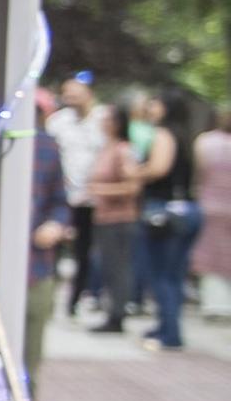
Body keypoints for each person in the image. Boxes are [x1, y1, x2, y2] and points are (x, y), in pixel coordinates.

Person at [135, 90, 201, 350]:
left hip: (164, 212)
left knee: (161, 274)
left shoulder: (163, 135)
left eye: (155, 103)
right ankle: (167, 325)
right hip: (187, 210)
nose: (151, 107)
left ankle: (169, 332)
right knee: (173, 275)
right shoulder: (188, 136)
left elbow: (158, 168)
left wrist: (136, 172)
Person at [23, 99, 73, 401]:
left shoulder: (46, 146)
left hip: (35, 266)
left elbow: (60, 200)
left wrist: (55, 224)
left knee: (29, 360)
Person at [46, 73, 106, 313]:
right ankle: (50, 297)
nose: (70, 98)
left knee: (85, 251)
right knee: (55, 247)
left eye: (75, 94)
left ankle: (76, 299)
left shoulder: (104, 119)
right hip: (62, 195)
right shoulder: (58, 122)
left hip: (92, 198)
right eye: (67, 94)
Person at [88, 105, 141, 334]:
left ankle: (117, 315)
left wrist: (100, 190)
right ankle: (113, 311)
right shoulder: (105, 148)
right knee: (109, 268)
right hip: (104, 218)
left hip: (119, 220)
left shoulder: (123, 150)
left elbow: (132, 186)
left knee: (118, 268)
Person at [197, 106, 231, 320]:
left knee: (209, 253)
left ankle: (214, 303)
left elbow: (200, 172)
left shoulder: (205, 142)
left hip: (210, 204)